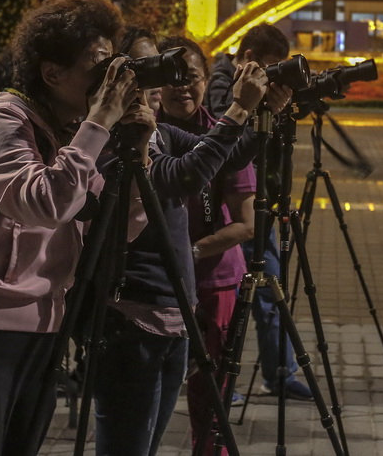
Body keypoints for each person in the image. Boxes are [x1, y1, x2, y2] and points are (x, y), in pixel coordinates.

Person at [0, 0, 154, 456]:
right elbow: (43, 203)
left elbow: (119, 230)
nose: (109, 77)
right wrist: (100, 121)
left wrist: (138, 149)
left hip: (44, 324)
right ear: (52, 73)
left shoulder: (69, 136)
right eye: (97, 64)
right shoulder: (2, 120)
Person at [92, 28, 269, 456]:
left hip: (175, 315)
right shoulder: (113, 145)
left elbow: (231, 155)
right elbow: (186, 176)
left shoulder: (162, 136)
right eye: (148, 69)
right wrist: (240, 107)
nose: (160, 85)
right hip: (132, 321)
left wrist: (264, 111)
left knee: (147, 445)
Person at [157, 34, 291, 454]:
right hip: (154, 289)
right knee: (151, 394)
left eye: (191, 76)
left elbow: (248, 223)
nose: (182, 86)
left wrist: (191, 252)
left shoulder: (220, 133)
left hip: (214, 283)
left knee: (210, 393)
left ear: (205, 78)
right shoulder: (142, 134)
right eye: (172, 77)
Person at [205, 23, 313, 402]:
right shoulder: (220, 82)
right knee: (233, 296)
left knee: (270, 291)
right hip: (228, 209)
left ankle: (280, 373)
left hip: (259, 200)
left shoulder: (247, 84)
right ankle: (221, 381)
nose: (273, 75)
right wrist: (255, 104)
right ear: (249, 58)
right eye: (270, 66)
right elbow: (225, 139)